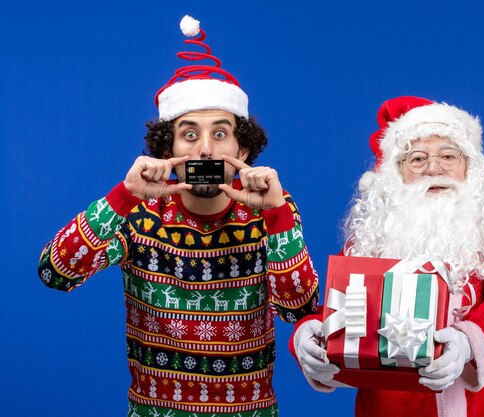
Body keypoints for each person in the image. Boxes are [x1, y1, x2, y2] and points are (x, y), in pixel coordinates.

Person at [38, 15, 319, 417]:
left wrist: (276, 216)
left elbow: (300, 309)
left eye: (220, 134)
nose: (204, 149)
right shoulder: (136, 213)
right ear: (167, 150)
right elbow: (55, 272)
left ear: (242, 152)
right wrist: (123, 197)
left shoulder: (272, 208)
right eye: (189, 135)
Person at [291, 96, 484, 417]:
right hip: (388, 406)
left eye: (448, 156)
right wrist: (309, 338)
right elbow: (338, 310)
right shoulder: (371, 239)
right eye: (418, 159)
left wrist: (466, 345)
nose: (434, 169)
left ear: (470, 166)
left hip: (481, 406)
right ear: (397, 174)